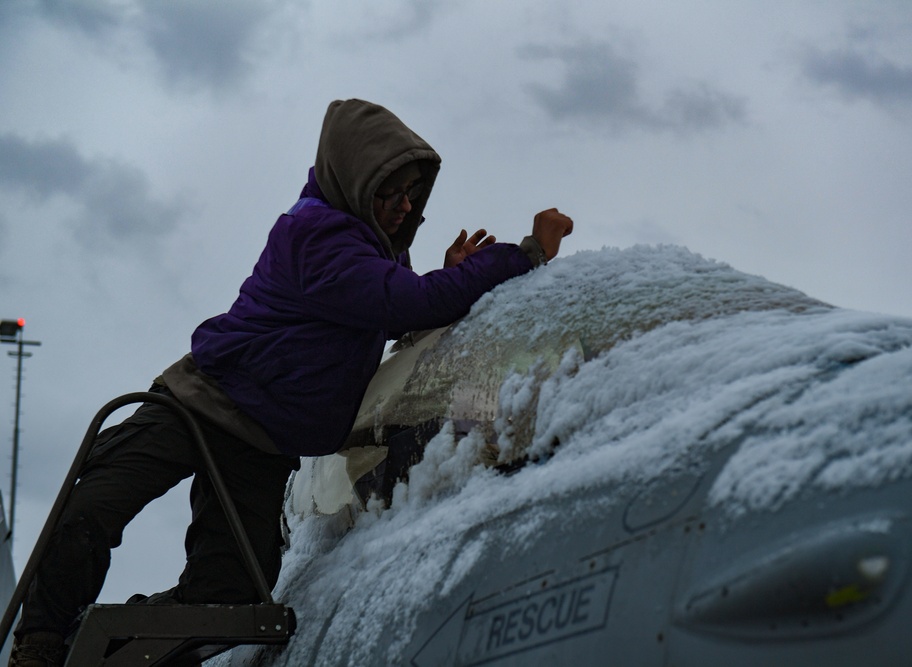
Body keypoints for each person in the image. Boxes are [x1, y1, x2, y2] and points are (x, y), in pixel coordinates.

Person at [8, 99, 573, 666]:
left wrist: (447, 278)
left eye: (412, 193)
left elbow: (397, 307)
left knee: (225, 605)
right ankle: (40, 644)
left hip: (261, 442)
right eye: (390, 191)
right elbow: (404, 302)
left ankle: (102, 651)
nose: (403, 206)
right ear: (355, 181)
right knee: (91, 512)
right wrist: (524, 254)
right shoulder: (314, 233)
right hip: (200, 405)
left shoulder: (376, 248)